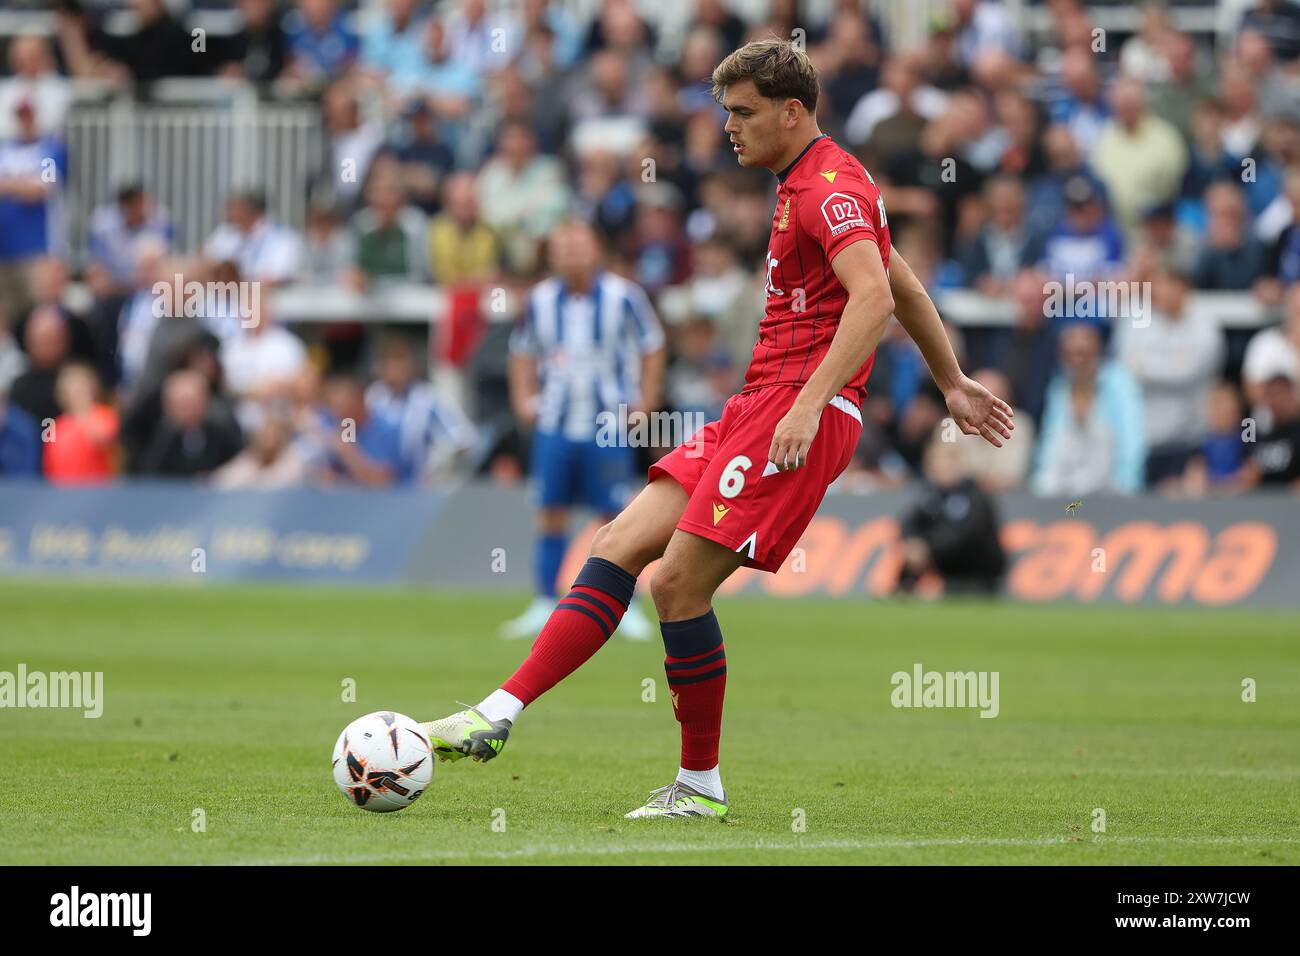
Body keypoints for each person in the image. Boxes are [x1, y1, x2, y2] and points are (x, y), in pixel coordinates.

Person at [423, 39, 1012, 820]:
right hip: (757, 406)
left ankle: (699, 787)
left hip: (797, 412)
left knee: (673, 584)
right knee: (617, 545)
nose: (728, 128)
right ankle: (497, 713)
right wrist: (951, 380)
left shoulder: (829, 187)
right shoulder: (806, 181)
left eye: (743, 113)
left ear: (791, 111)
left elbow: (871, 300)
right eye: (725, 112)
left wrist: (810, 402)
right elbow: (900, 281)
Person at [499, 219, 666, 642]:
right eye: (563, 247)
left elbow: (653, 343)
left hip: (608, 422)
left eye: (579, 246)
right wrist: (523, 397)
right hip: (555, 421)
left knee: (616, 518)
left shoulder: (623, 296)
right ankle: (542, 601)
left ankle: (626, 606)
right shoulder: (539, 300)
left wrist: (647, 398)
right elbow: (521, 351)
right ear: (552, 255)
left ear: (596, 251)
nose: (572, 254)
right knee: (550, 512)